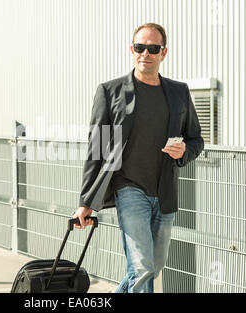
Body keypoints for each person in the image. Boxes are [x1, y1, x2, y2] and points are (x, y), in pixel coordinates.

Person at [73, 23, 204, 293]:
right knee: (143, 267)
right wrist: (86, 201)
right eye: (140, 47)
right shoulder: (110, 92)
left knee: (151, 267)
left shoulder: (179, 92)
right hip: (129, 188)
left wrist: (185, 152)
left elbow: (196, 139)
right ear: (132, 50)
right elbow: (97, 148)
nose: (146, 53)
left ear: (163, 53)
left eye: (153, 48)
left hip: (165, 192)